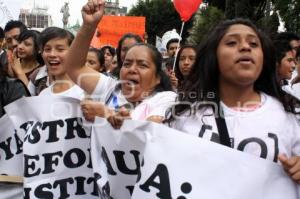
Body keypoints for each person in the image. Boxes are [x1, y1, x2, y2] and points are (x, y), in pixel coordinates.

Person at [167, 18, 300, 182]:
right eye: (231, 43)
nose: (245, 47)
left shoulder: (289, 115)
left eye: (253, 44)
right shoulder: (186, 114)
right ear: (213, 55)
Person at [65, 0, 175, 127]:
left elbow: (150, 132)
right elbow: (74, 67)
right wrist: (89, 26)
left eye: (142, 65)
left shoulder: (166, 99)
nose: (132, 69)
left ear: (157, 78)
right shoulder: (109, 89)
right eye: (127, 64)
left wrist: (106, 113)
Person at [38, 27, 84, 100]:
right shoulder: (43, 95)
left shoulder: (84, 93)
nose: (52, 54)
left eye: (60, 49)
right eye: (47, 49)